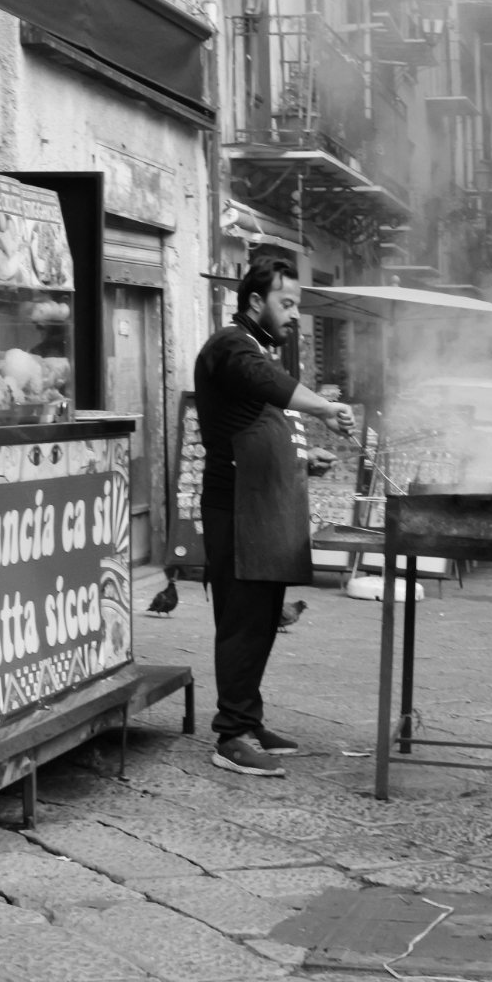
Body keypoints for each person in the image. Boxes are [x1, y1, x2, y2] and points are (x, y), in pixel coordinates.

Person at [194, 261, 355, 777]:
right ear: (254, 301)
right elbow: (265, 384)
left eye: (298, 306)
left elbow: (260, 423)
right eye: (286, 303)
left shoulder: (260, 348)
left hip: (266, 508)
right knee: (241, 624)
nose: (295, 316)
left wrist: (304, 459)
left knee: (263, 621)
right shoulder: (230, 345)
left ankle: (249, 718)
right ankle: (230, 735)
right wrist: (324, 409)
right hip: (237, 508)